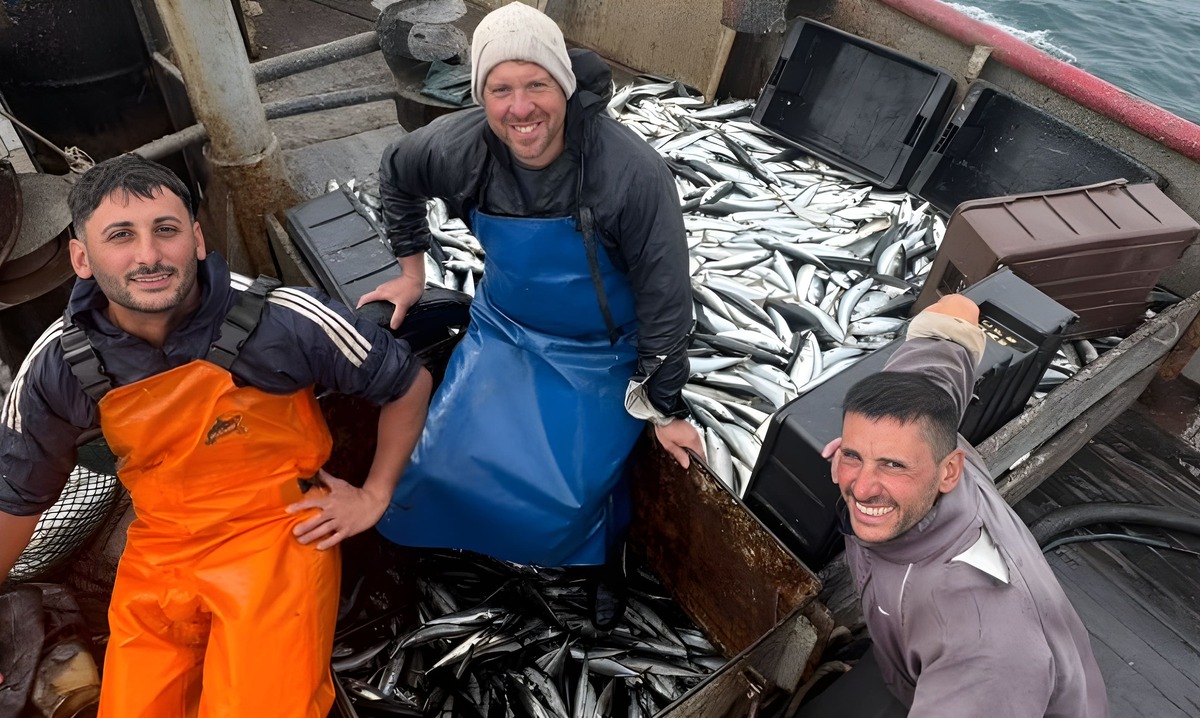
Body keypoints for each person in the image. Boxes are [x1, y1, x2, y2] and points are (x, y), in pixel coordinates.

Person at [0, 155, 432, 717]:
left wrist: (373, 495)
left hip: (278, 540)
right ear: (82, 257)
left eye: (167, 230)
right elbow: (17, 495)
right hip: (159, 549)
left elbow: (406, 382)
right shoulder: (58, 362)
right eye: (120, 236)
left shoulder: (283, 318)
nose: (149, 255)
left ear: (198, 240)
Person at [360, 2, 702, 573]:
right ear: (480, 95)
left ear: (564, 86)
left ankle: (598, 563)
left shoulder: (631, 174)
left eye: (537, 84)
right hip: (503, 332)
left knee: (562, 502)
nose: (521, 108)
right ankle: (461, 560)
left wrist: (665, 410)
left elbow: (665, 298)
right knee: (435, 470)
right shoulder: (458, 148)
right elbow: (396, 173)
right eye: (500, 90)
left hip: (601, 354)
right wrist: (411, 274)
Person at [800, 294, 1108, 717]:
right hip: (915, 670)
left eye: (893, 465)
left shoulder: (982, 639)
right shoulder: (921, 418)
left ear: (949, 470)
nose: (863, 487)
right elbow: (957, 312)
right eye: (852, 455)